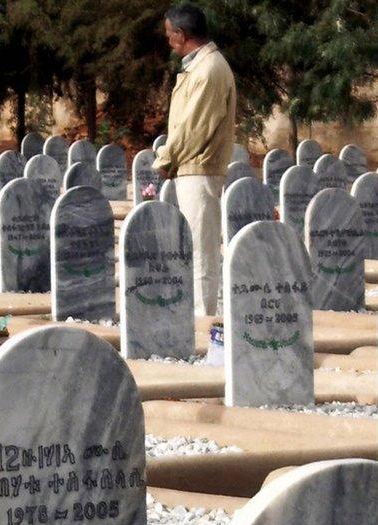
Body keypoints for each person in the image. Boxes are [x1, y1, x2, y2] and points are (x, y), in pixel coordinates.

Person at [154, 4, 236, 317]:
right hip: (191, 167)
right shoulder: (200, 66)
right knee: (196, 245)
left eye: (168, 34)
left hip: (199, 168)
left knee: (202, 248)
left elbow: (194, 126)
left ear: (181, 34)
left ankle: (204, 318)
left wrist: (166, 157)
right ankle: (198, 311)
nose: (167, 41)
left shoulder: (209, 69)